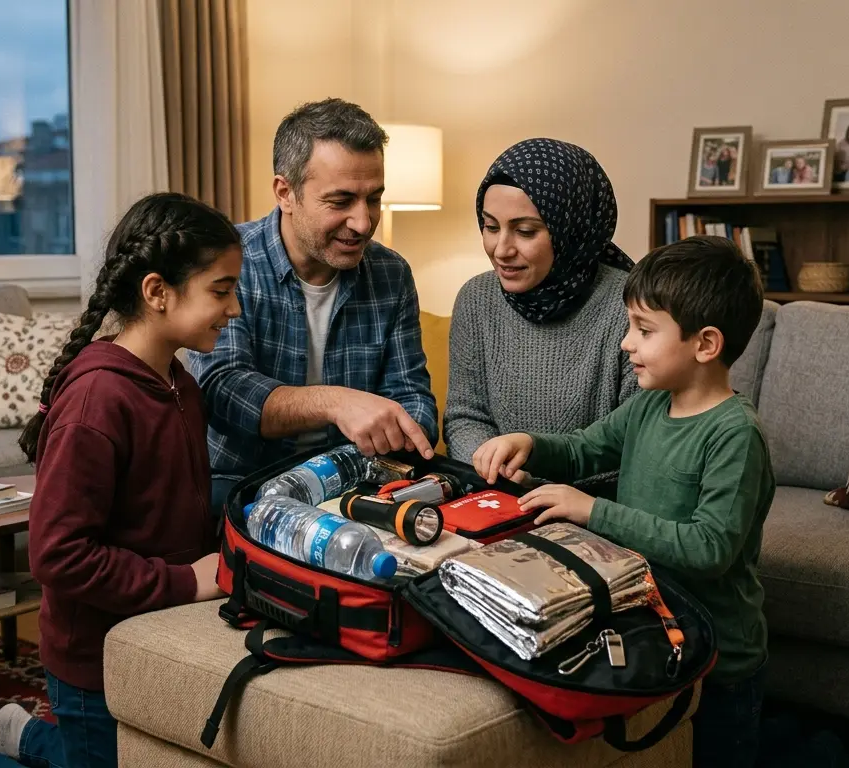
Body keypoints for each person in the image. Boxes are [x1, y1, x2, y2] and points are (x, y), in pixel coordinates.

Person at [0, 193, 241, 768]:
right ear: (158, 292)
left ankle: (20, 731)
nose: (234, 308)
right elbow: (57, 555)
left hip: (153, 636)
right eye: (221, 289)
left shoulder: (179, 385)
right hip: (95, 658)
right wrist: (187, 582)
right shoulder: (97, 401)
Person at [471, 235, 774, 768]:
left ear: (705, 344)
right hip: (657, 635)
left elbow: (709, 548)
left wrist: (593, 512)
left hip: (722, 660)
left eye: (644, 330)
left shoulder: (735, 435)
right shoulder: (650, 405)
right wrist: (530, 443)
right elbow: (585, 449)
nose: (625, 344)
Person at [190, 98, 437, 515]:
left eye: (373, 199)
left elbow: (414, 399)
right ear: (285, 192)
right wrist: (337, 403)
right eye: (340, 202)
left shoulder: (391, 274)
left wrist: (399, 433)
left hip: (354, 484)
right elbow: (223, 389)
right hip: (241, 483)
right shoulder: (230, 261)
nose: (362, 222)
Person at [445, 138, 638, 495]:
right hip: (497, 495)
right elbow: (466, 415)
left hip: (600, 511)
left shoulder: (632, 305)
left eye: (526, 231)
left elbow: (637, 438)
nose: (502, 250)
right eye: (490, 226)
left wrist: (540, 481)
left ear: (571, 229)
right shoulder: (476, 299)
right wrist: (492, 470)